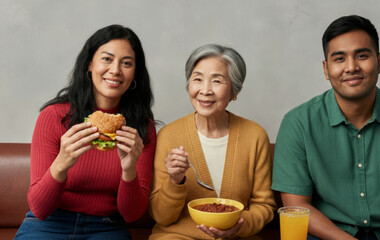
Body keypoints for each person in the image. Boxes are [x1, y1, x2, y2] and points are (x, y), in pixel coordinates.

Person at [272, 15, 380, 240]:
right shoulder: (298, 124)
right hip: (327, 234)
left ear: (379, 62)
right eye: (339, 58)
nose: (351, 67)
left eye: (362, 55)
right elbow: (298, 207)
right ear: (326, 68)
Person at [14, 24, 157, 239]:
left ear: (135, 73)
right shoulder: (53, 116)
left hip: (107, 226)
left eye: (126, 63)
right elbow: (40, 208)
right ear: (89, 64)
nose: (116, 70)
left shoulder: (141, 127)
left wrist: (129, 171)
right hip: (50, 223)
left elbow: (131, 215)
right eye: (107, 59)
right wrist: (63, 162)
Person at [148, 44, 276, 239]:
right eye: (197, 79)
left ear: (235, 90)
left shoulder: (255, 136)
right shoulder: (168, 135)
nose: (205, 90)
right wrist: (175, 181)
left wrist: (239, 226)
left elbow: (264, 206)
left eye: (217, 81)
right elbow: (161, 216)